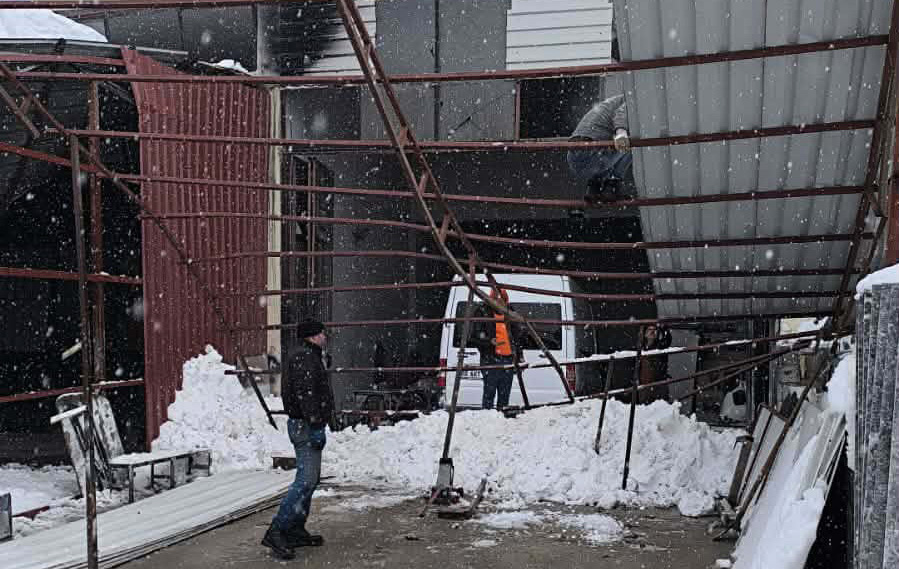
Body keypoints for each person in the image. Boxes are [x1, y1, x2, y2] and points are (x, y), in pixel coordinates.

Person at [262, 319, 334, 560]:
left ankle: (294, 530)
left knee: (310, 480)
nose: (325, 336)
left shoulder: (309, 355)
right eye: (322, 333)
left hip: (307, 423)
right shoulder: (304, 357)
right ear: (312, 336)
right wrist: (315, 422)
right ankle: (277, 530)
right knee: (305, 481)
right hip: (305, 425)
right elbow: (306, 394)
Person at [567, 94, 633, 204]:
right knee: (630, 143)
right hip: (591, 152)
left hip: (575, 155)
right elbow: (621, 114)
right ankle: (612, 185)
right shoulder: (632, 100)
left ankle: (594, 188)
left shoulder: (613, 102)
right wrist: (621, 133)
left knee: (609, 145)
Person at [470, 288, 525, 410]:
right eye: (496, 299)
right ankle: (488, 417)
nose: (499, 302)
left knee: (504, 395)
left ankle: (502, 417)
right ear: (491, 300)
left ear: (506, 301)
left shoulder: (510, 312)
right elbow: (474, 337)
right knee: (489, 394)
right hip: (491, 359)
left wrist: (519, 355)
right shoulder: (483, 311)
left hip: (508, 360)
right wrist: (489, 341)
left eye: (502, 300)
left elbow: (517, 337)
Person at [639, 324, 673, 403]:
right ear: (645, 333)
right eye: (649, 329)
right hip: (644, 384)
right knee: (644, 406)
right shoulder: (641, 347)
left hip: (658, 383)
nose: (652, 331)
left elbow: (667, 340)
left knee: (661, 407)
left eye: (654, 330)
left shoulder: (660, 346)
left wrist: (663, 328)